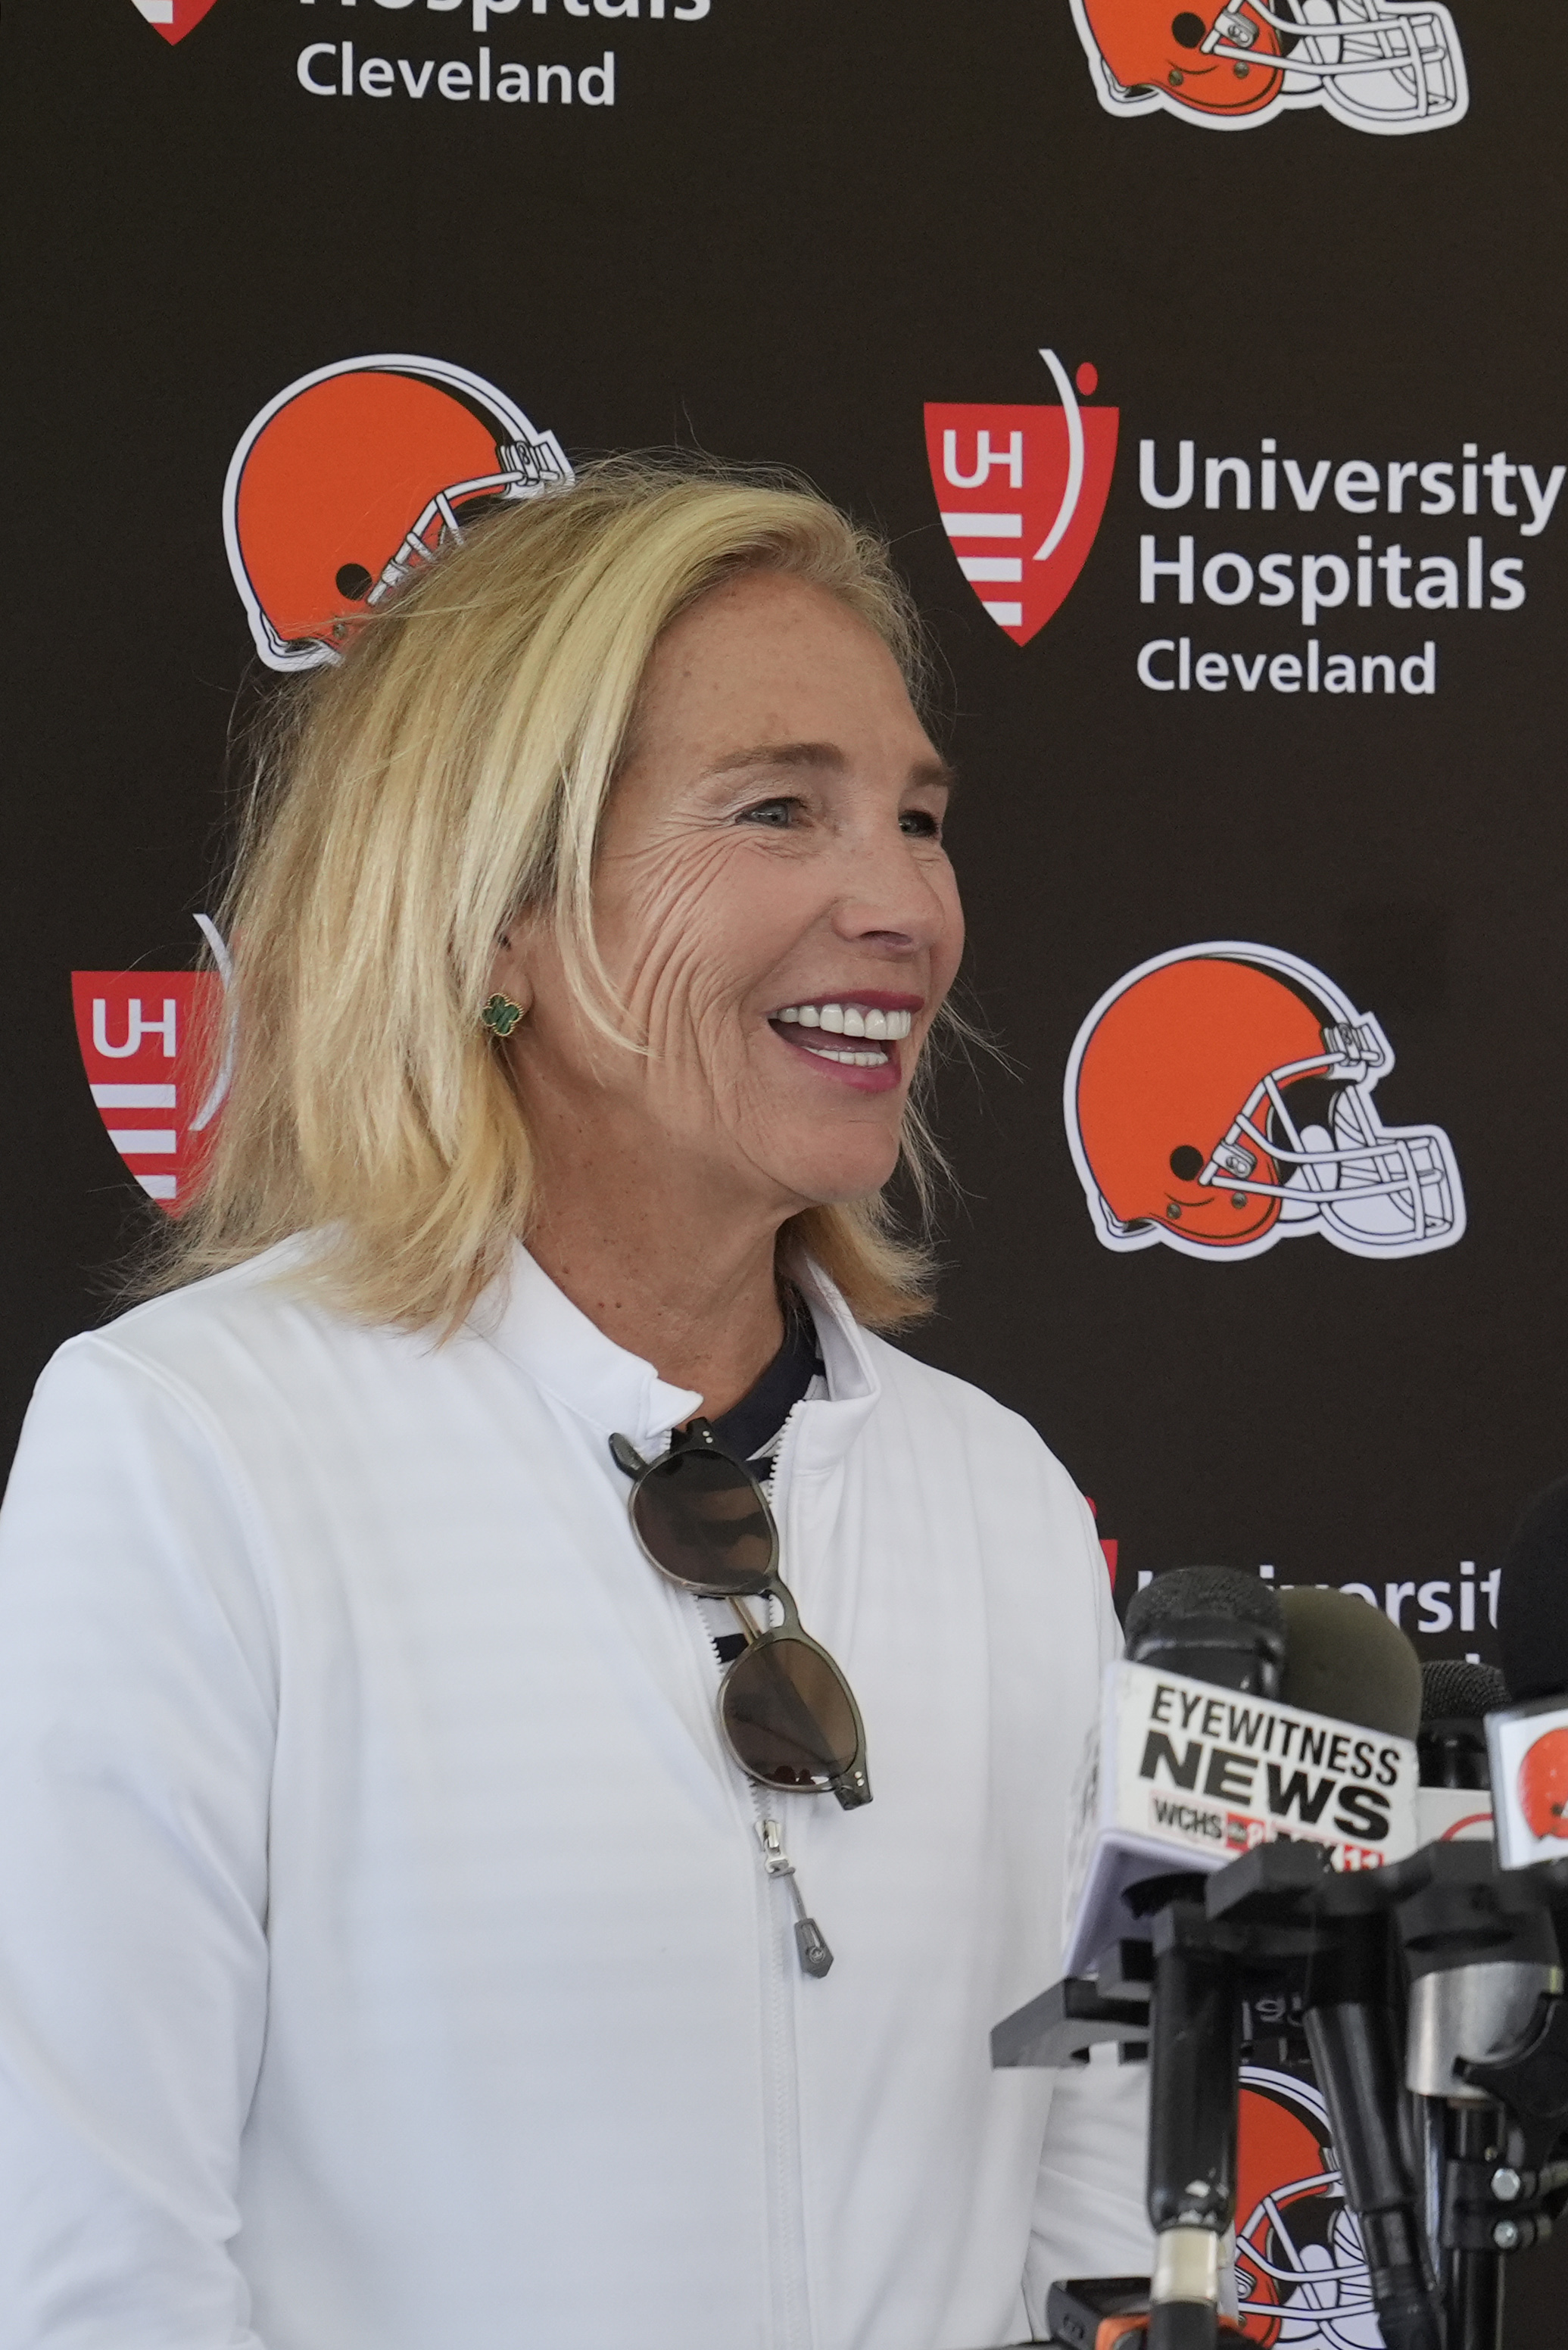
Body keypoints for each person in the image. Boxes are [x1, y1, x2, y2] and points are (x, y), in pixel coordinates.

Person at [0, 460, 1147, 2348]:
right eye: (779, 808)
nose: (902, 904)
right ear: (498, 912)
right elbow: (95, 2274)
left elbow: (1094, 2227)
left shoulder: (1004, 1499)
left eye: (920, 819)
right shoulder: (193, 1448)